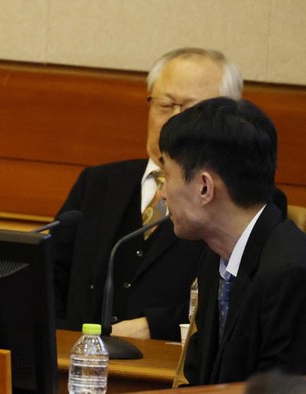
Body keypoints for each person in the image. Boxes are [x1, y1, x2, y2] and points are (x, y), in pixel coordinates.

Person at [49, 47, 268, 341]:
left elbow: (238, 298)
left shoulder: (244, 199)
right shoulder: (98, 182)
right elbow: (48, 273)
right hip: (78, 361)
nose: (173, 122)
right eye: (165, 105)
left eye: (190, 110)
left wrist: (155, 325)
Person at [159, 97, 306, 385]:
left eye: (166, 176)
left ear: (205, 187)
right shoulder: (216, 257)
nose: (163, 194)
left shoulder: (291, 274)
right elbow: (199, 379)